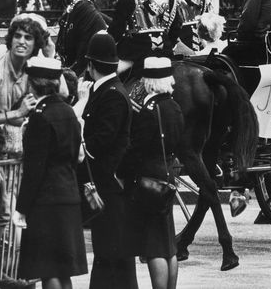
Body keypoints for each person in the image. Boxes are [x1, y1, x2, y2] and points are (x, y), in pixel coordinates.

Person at [14, 56, 87, 289]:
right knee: (63, 271)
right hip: (69, 195)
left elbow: (34, 170)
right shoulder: (68, 112)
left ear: (33, 83)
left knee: (49, 271)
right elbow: (75, 156)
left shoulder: (39, 117)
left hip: (46, 201)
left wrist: (21, 209)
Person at [76, 30, 137, 289]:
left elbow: (100, 142)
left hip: (107, 186)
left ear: (90, 66)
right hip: (107, 186)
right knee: (110, 256)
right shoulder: (110, 89)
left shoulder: (110, 94)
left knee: (110, 257)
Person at [120, 57, 183, 289]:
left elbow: (136, 149)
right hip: (168, 175)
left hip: (148, 177)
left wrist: (122, 171)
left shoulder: (148, 110)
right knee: (168, 244)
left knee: (154, 245)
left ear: (148, 81)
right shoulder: (175, 107)